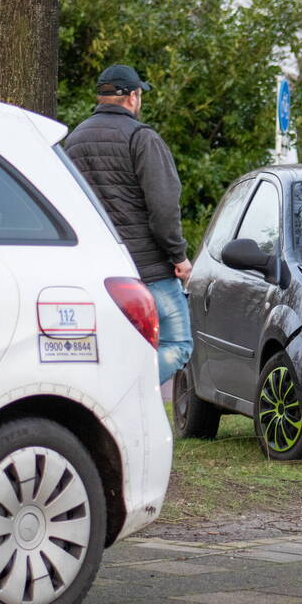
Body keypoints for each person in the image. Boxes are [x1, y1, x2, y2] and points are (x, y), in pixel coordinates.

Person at [65, 64, 192, 384]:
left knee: (109, 347)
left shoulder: (74, 140)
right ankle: (123, 392)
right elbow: (163, 208)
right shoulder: (142, 138)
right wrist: (178, 256)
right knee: (177, 343)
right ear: (132, 97)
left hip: (95, 270)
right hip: (146, 268)